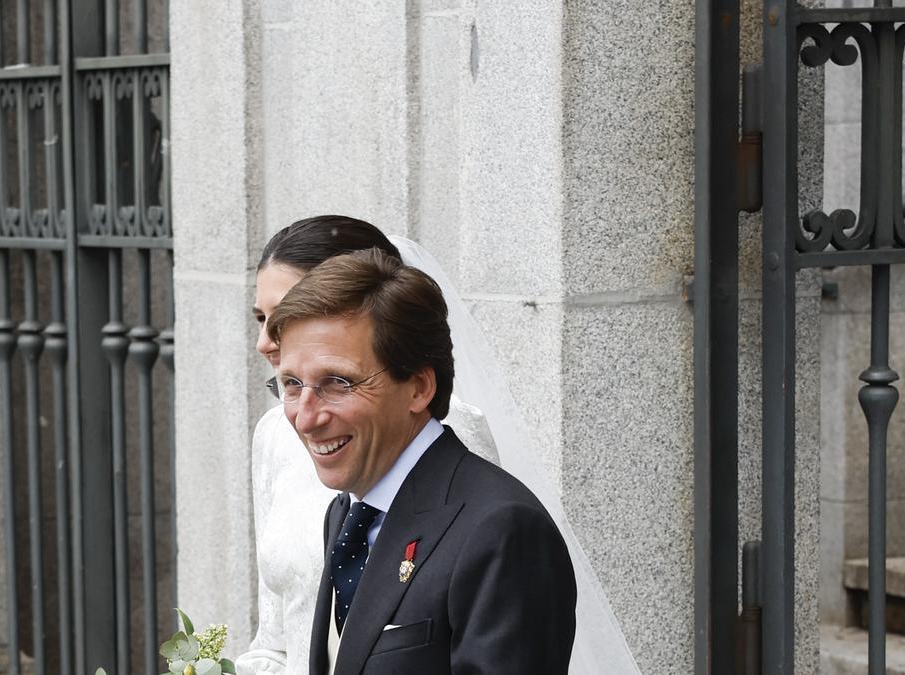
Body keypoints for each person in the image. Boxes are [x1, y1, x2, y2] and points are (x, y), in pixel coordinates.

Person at [235, 215, 640, 674]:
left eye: (338, 383)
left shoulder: (501, 531)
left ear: (419, 388)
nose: (305, 419)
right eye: (291, 384)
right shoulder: (345, 512)